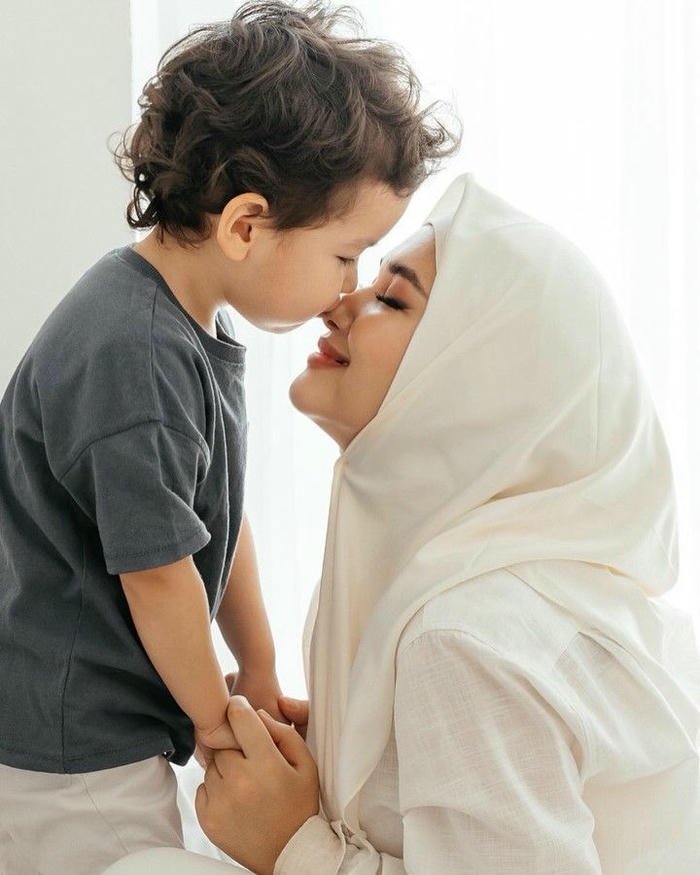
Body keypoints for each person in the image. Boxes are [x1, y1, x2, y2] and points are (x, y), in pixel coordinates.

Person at [103, 173, 700, 875]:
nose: (336, 304)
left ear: (472, 382)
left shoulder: (466, 638)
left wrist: (293, 841)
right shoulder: (502, 595)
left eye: (390, 297)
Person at [0, 2, 459, 873]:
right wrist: (218, 722)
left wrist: (254, 664)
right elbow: (160, 572)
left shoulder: (183, 328)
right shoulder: (132, 350)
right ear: (247, 225)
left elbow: (213, 522)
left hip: (108, 725)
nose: (347, 290)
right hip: (68, 745)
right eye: (343, 255)